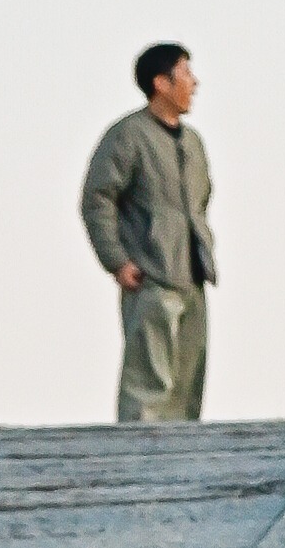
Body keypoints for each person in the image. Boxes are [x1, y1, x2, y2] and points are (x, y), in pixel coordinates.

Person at [80, 43, 215, 423]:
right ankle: (137, 466)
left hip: (192, 278)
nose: (195, 82)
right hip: (150, 278)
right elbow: (97, 198)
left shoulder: (193, 143)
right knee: (147, 386)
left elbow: (201, 201)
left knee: (187, 387)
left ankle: (182, 471)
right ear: (161, 82)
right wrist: (117, 261)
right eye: (186, 73)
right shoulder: (128, 136)